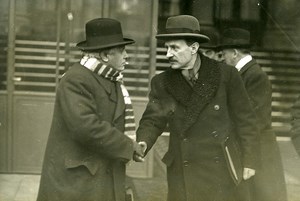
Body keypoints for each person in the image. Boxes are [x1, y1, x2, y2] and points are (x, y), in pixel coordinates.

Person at [136, 15, 259, 201]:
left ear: (194, 48)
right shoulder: (161, 82)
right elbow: (153, 119)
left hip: (221, 169)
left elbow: (246, 121)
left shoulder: (226, 76)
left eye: (174, 48)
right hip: (183, 171)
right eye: (166, 48)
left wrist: (249, 160)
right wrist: (144, 141)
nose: (168, 54)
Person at [37, 18, 144, 201]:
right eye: (121, 50)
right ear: (104, 55)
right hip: (78, 183)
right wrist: (129, 146)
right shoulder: (75, 79)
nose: (126, 56)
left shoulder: (109, 77)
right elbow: (86, 127)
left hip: (99, 177)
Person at [220, 28, 287, 201]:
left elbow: (252, 119)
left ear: (234, 53)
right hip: (250, 146)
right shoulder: (244, 74)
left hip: (258, 150)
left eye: (224, 54)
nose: (223, 59)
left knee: (261, 195)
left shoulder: (255, 76)